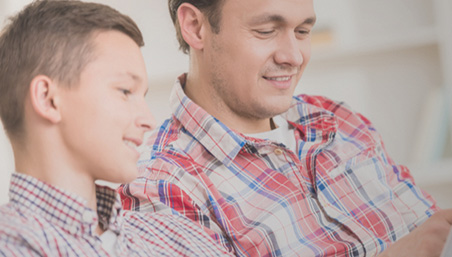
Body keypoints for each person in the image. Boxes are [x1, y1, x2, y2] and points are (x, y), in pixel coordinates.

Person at [119, 0, 452, 256]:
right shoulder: (161, 189)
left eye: (303, 32)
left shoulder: (337, 119)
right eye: (266, 31)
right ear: (195, 26)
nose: (294, 56)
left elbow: (430, 230)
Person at [0, 1, 234, 256]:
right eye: (125, 91)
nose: (148, 120)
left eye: (142, 95)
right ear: (48, 99)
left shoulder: (173, 233)